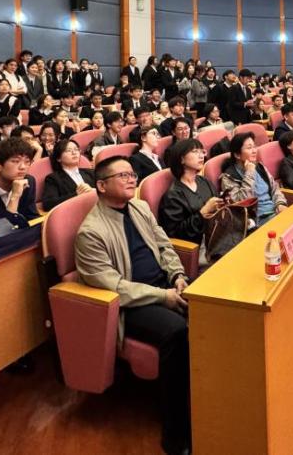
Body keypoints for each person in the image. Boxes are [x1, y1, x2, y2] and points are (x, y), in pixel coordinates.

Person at [74, 155, 191, 455]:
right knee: (178, 331)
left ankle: (209, 399)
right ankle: (176, 432)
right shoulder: (91, 232)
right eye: (122, 176)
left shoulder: (140, 207)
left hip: (164, 286)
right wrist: (163, 296)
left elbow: (164, 245)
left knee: (216, 307)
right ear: (101, 186)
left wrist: (177, 275)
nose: (131, 180)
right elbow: (114, 286)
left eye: (132, 174)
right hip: (131, 304)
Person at [160, 138, 233, 264]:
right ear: (181, 159)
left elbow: (217, 211)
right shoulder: (173, 195)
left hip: (219, 238)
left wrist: (222, 204)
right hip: (199, 249)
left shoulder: (204, 181)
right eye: (195, 152)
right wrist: (203, 212)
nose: (201, 156)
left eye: (202, 152)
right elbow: (176, 234)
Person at [218, 132, 287, 226]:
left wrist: (280, 203)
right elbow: (240, 203)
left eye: (254, 147)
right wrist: (249, 173)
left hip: (274, 211)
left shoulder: (259, 167)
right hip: (255, 220)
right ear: (237, 155)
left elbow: (275, 188)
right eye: (249, 148)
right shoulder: (228, 177)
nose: (254, 151)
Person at [42, 138, 96, 210]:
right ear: (58, 158)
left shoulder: (90, 172)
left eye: (76, 149)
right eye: (69, 150)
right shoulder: (53, 178)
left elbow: (104, 189)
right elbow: (48, 204)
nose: (74, 153)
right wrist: (76, 195)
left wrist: (94, 191)